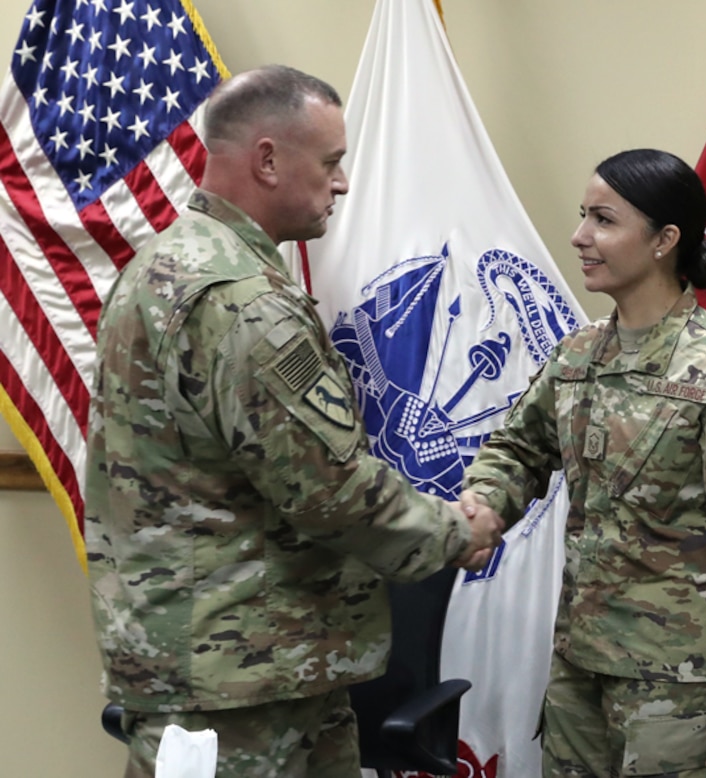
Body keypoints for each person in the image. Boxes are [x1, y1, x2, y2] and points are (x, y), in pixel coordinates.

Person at [83, 65, 504, 777]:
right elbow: (330, 490)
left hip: (229, 669)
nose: (341, 183)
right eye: (332, 162)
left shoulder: (162, 263)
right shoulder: (243, 300)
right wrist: (458, 532)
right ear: (269, 160)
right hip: (244, 688)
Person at [460, 149, 706, 777]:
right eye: (583, 217)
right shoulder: (577, 356)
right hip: (580, 669)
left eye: (603, 220)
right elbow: (518, 449)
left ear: (664, 240)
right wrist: (484, 504)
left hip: (680, 693)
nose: (579, 237)